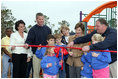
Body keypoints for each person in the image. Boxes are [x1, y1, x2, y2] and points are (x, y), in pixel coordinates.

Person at [25, 12, 51, 78]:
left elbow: (51, 40)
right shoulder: (32, 29)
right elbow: (29, 40)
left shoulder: (48, 29)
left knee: (47, 72)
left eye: (42, 19)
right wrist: (27, 44)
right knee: (36, 73)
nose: (41, 20)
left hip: (46, 54)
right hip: (36, 54)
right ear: (36, 19)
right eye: (40, 19)